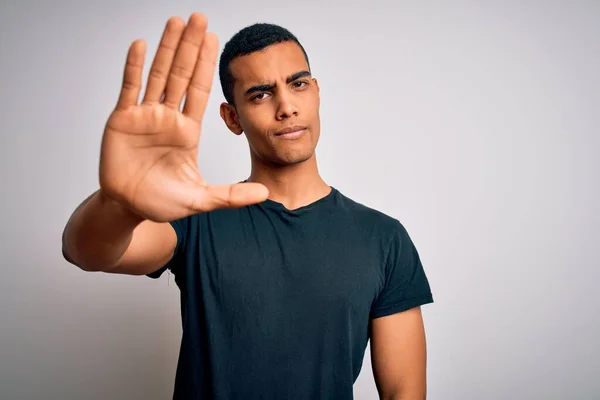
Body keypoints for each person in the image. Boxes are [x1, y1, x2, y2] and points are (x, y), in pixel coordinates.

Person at [62, 12, 434, 400]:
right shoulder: (195, 221)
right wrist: (119, 200)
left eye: (298, 84)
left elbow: (404, 393)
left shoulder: (384, 238)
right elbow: (84, 251)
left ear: (317, 92)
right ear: (231, 117)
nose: (287, 106)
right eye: (261, 94)